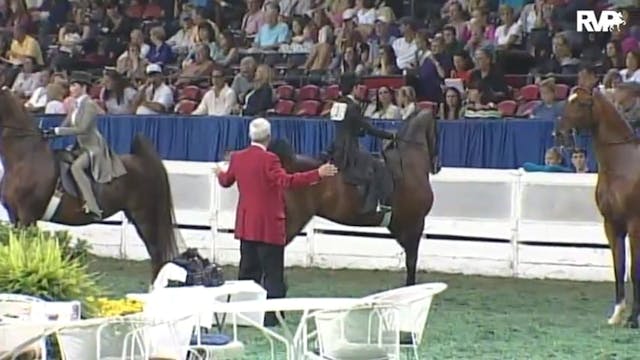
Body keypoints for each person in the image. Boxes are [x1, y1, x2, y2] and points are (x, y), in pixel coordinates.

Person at [214, 118, 338, 327]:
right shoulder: (270, 159)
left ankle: (244, 314)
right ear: (268, 137)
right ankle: (271, 316)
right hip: (269, 224)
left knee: (247, 270)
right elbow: (288, 181)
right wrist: (318, 173)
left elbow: (226, 182)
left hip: (247, 223)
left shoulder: (237, 158)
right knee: (272, 273)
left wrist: (220, 173)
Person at [41, 71, 127, 219]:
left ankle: (92, 206)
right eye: (71, 86)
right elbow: (65, 124)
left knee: (76, 168)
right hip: (79, 146)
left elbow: (82, 129)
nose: (71, 89)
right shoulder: (75, 106)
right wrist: (48, 133)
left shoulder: (90, 105)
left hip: (93, 148)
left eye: (74, 86)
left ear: (83, 87)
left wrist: (58, 130)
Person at [327, 72, 396, 214]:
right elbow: (367, 128)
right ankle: (373, 207)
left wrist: (358, 132)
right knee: (380, 168)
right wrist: (390, 135)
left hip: (336, 147)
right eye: (360, 87)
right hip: (350, 150)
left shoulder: (337, 104)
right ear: (354, 87)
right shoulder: (353, 106)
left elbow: (344, 126)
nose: (362, 90)